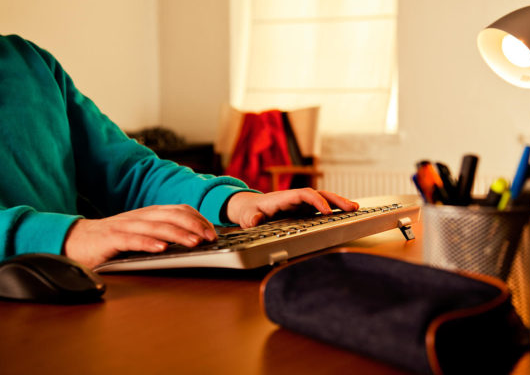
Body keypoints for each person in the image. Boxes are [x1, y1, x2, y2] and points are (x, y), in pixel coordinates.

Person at [0, 34, 358, 268]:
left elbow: (130, 174)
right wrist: (70, 235)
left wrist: (234, 202)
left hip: (67, 300)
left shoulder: (30, 62)